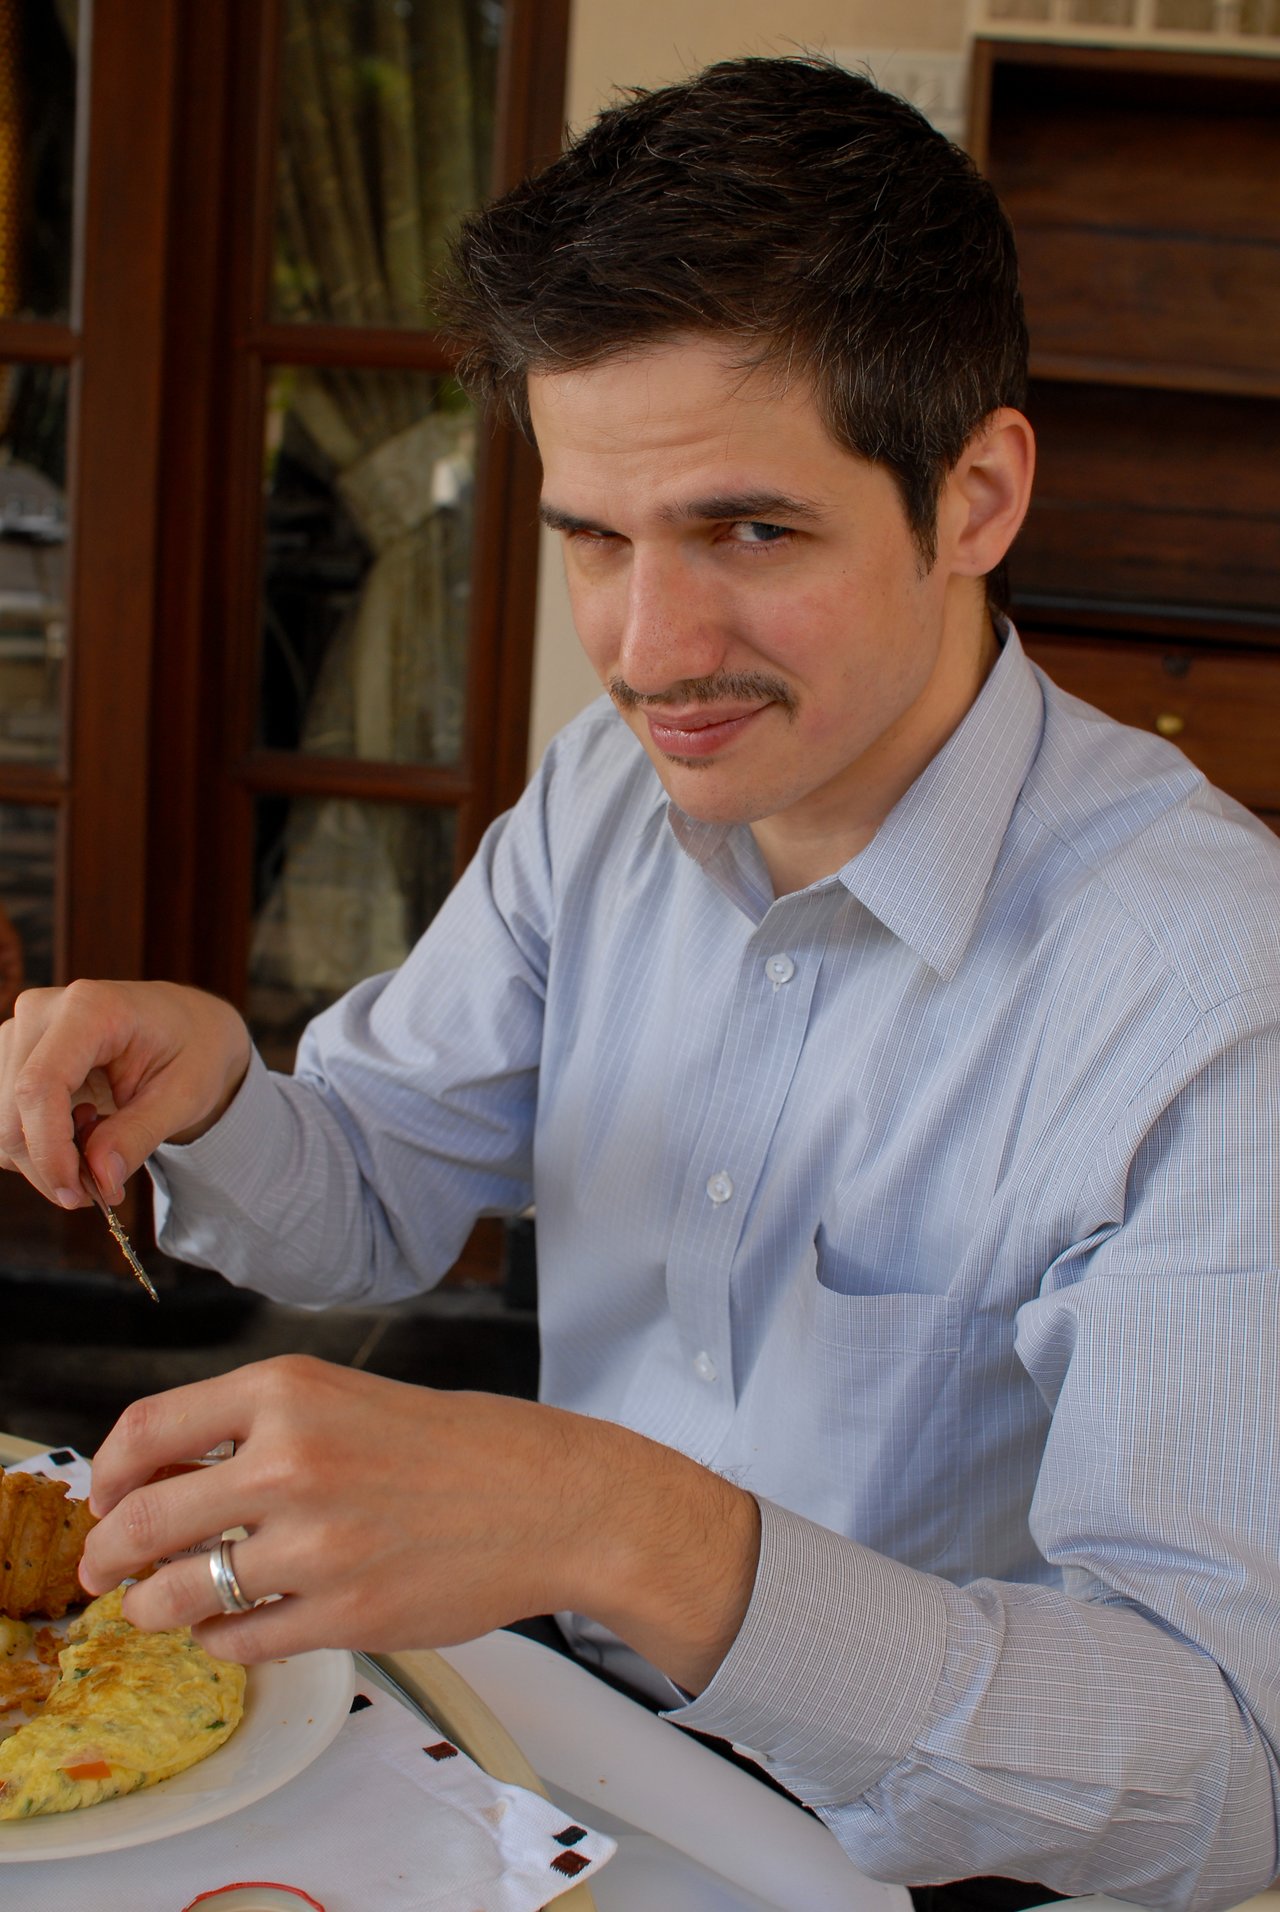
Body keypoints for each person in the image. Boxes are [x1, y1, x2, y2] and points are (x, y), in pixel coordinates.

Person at [2, 55, 1279, 1912]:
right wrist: (214, 1097)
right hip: (542, 1748)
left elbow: (1222, 1768)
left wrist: (620, 1523)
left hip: (926, 1865)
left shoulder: (1212, 994)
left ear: (978, 495)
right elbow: (372, 1192)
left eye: (750, 532)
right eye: (593, 539)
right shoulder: (612, 793)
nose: (651, 651)